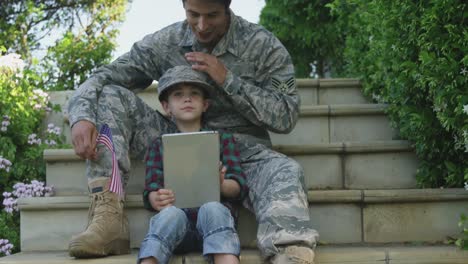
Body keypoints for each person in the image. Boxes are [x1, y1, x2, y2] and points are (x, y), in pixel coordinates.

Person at [68, 0, 319, 263]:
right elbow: (105, 76)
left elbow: (286, 115)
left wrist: (228, 80)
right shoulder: (168, 41)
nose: (201, 26)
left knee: (286, 170)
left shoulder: (263, 46)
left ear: (228, 7)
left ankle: (288, 251)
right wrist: (81, 116)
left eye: (212, 16)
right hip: (175, 140)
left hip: (242, 149)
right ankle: (108, 218)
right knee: (108, 95)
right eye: (193, 14)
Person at [139, 65, 246, 264]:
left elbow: (238, 188)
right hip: (177, 229)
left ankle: (227, 260)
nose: (187, 99)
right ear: (166, 106)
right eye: (178, 94)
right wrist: (157, 199)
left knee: (213, 207)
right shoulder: (159, 145)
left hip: (216, 226)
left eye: (194, 94)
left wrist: (221, 184)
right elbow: (151, 191)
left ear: (205, 104)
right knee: (170, 214)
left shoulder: (222, 140)